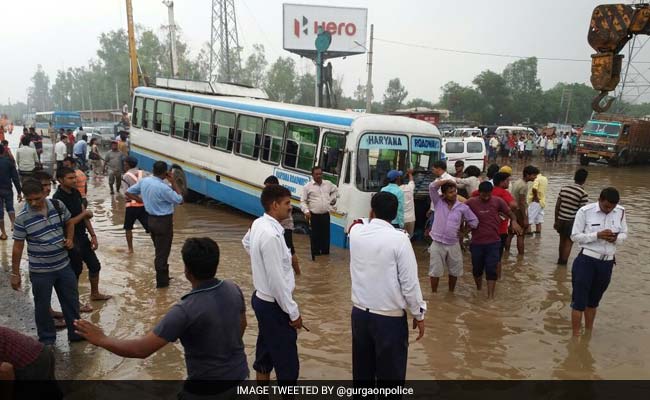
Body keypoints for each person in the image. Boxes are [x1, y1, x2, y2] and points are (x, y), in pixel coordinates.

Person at [74, 238, 249, 393]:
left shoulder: (184, 310)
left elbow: (141, 350)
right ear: (215, 264)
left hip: (205, 388)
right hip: (242, 377)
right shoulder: (233, 288)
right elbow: (242, 325)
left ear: (187, 271)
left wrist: (102, 339)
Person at [348, 191, 427, 383]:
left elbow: (357, 222)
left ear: (372, 211)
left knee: (362, 376)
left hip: (359, 315)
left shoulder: (356, 233)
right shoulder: (399, 239)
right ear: (395, 214)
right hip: (388, 320)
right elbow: (409, 284)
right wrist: (418, 313)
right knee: (391, 379)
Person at [242, 184, 304, 385]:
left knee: (265, 356)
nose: (290, 208)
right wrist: (293, 313)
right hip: (274, 304)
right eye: (287, 203)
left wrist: (259, 262)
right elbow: (277, 283)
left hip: (263, 299)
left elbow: (246, 242)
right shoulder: (271, 235)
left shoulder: (259, 223)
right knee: (288, 367)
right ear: (274, 205)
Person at [10, 179, 85, 344]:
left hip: (64, 266)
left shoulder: (57, 205)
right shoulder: (22, 218)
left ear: (45, 193)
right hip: (40, 272)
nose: (34, 203)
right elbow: (17, 248)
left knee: (71, 302)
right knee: (42, 307)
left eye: (37, 198)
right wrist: (15, 273)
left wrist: (70, 239)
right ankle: (47, 339)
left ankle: (76, 334)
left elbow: (69, 222)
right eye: (29, 200)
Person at [569, 187, 627, 337]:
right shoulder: (585, 211)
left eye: (612, 207)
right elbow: (574, 236)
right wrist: (597, 235)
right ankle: (575, 337)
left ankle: (588, 333)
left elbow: (624, 234)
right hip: (586, 261)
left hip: (607, 263)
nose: (609, 210)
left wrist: (616, 238)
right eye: (607, 206)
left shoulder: (620, 211)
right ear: (600, 200)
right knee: (579, 302)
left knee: (594, 302)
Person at [54, 167, 111, 305]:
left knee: (95, 265)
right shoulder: (57, 199)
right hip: (70, 238)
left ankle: (95, 293)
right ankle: (75, 301)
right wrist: (84, 214)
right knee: (76, 270)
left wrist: (93, 234)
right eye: (70, 178)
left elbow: (84, 214)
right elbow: (69, 222)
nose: (74, 180)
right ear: (60, 180)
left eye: (75, 177)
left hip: (82, 235)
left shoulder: (76, 193)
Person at [126, 161, 183, 288]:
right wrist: (173, 182)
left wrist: (143, 202)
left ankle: (164, 277)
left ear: (153, 169)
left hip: (150, 220)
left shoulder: (145, 181)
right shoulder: (164, 187)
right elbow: (180, 200)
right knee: (162, 253)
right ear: (165, 173)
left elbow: (128, 192)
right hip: (164, 222)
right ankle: (162, 285)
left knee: (159, 250)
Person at [465, 182, 521, 299]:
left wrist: (514, 222)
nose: (486, 197)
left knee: (491, 269)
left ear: (491, 193)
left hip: (494, 242)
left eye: (488, 195)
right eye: (483, 195)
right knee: (477, 269)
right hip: (476, 242)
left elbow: (510, 213)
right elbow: (459, 211)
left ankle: (490, 297)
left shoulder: (498, 201)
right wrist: (461, 231)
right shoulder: (471, 202)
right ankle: (479, 290)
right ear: (479, 193)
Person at [428, 180, 478, 292]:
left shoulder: (462, 207)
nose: (454, 194)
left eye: (455, 191)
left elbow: (474, 221)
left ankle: (451, 293)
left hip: (453, 243)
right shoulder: (438, 202)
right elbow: (432, 186)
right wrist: (447, 180)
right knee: (435, 271)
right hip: (437, 243)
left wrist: (464, 232)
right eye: (450, 192)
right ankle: (434, 294)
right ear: (444, 194)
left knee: (454, 271)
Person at [263, 176, 300, 274]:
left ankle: (298, 273)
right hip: (280, 227)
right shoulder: (274, 197)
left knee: (290, 251)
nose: (266, 190)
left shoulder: (280, 197)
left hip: (285, 227)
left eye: (268, 187)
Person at [300, 166, 337, 261]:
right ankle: (316, 259)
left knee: (326, 237)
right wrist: (306, 211)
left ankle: (325, 258)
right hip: (314, 216)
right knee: (315, 238)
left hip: (325, 215)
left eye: (320, 174)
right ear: (312, 175)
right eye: (316, 174)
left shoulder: (328, 184)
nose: (319, 176)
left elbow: (336, 191)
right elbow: (303, 201)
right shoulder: (307, 187)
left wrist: (332, 199)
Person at [554, 169, 589, 265]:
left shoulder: (564, 188)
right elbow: (581, 212)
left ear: (574, 177)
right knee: (569, 243)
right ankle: (563, 264)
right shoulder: (583, 193)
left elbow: (557, 206)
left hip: (561, 219)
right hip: (571, 222)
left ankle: (559, 260)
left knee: (561, 241)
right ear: (584, 180)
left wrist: (556, 220)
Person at [505, 165, 539, 255]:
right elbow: (522, 203)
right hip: (519, 211)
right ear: (527, 175)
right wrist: (525, 218)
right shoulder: (524, 186)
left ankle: (506, 253)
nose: (535, 177)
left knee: (510, 233)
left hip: (513, 211)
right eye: (534, 175)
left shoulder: (517, 182)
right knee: (521, 235)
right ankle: (521, 257)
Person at [121, 156, 149, 254]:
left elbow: (126, 193)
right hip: (144, 206)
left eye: (124, 164)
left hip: (131, 206)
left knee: (128, 228)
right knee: (150, 228)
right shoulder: (144, 173)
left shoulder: (125, 176)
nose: (124, 166)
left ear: (128, 164)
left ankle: (130, 249)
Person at [0, 145, 22, 240]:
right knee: (10, 206)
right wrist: (19, 192)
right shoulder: (9, 162)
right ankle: (13, 223)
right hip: (7, 188)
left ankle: (4, 233)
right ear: (3, 151)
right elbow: (15, 178)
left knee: (0, 211)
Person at [527, 170, 548, 235]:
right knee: (539, 218)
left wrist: (535, 197)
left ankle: (528, 232)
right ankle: (538, 232)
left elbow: (534, 188)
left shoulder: (537, 178)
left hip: (535, 201)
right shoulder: (545, 178)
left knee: (529, 218)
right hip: (542, 201)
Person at [400, 169, 416, 237]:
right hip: (411, 219)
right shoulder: (410, 188)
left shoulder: (396, 191)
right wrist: (410, 174)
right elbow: (411, 180)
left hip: (401, 220)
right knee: (409, 238)